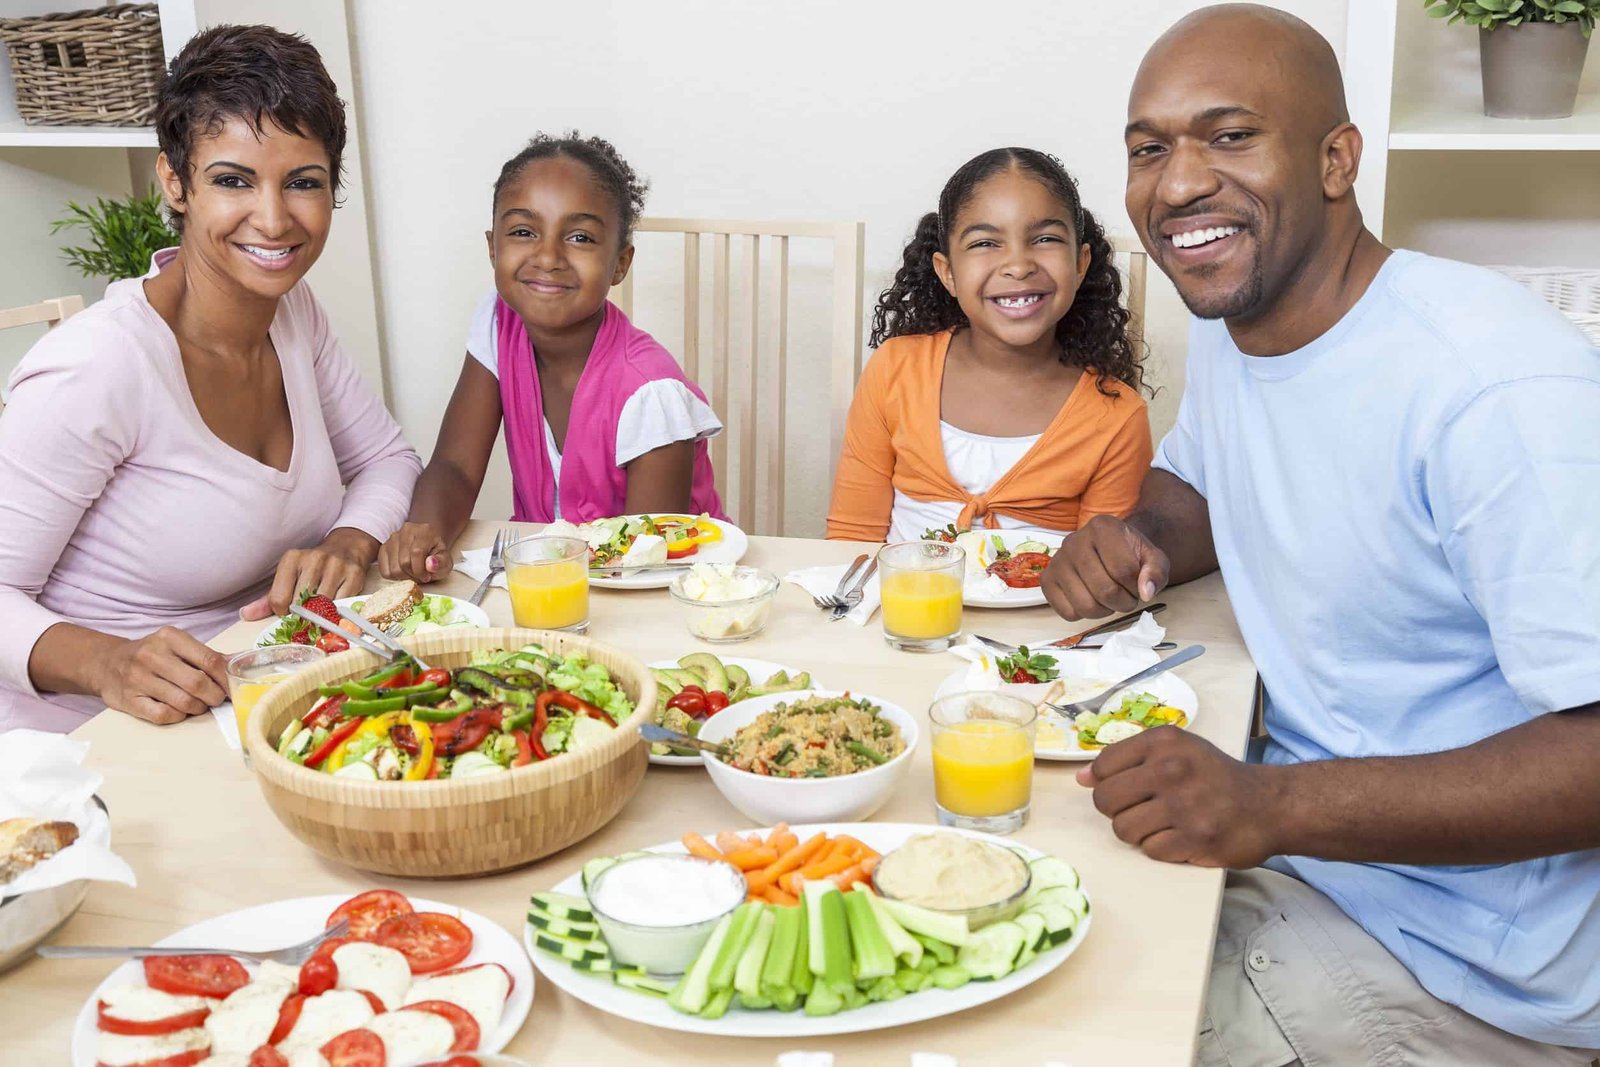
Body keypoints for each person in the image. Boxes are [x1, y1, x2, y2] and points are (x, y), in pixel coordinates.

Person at [1043, 5, 1600, 1064]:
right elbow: (1199, 480)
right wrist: (1135, 535)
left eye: (1230, 134)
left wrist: (1270, 803)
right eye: (1148, 148)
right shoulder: (1243, 323)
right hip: (1305, 868)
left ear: (1337, 159)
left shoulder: (1493, 386)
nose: (1178, 182)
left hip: (1457, 970)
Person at [0, 25, 420, 734]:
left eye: (303, 183)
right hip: (95, 740)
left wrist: (351, 539)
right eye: (233, 180)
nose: (274, 218)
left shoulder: (293, 315)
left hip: (251, 700)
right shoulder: (96, 368)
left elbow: (386, 459)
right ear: (176, 181)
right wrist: (109, 661)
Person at [378, 134, 725, 583]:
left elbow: (646, 562)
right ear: (493, 247)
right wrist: (425, 532)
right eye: (524, 232)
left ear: (620, 263)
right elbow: (456, 467)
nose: (547, 257)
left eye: (579, 237)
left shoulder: (652, 394)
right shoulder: (498, 325)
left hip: (666, 595)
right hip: (551, 583)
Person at [826, 148, 1151, 544]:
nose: (1018, 265)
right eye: (985, 244)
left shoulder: (1117, 415)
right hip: (901, 604)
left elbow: (1104, 569)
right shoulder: (895, 369)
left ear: (1080, 264)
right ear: (947, 273)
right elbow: (851, 537)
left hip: (1048, 609)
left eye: (1045, 239)